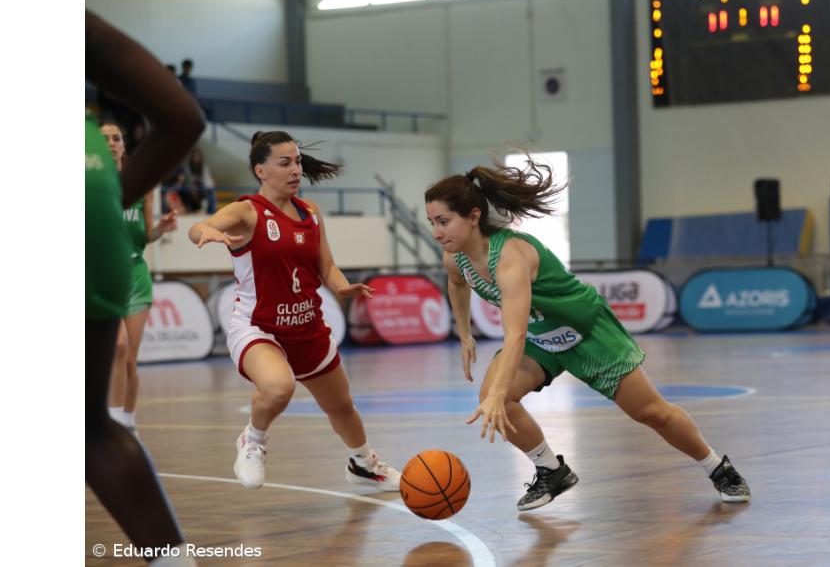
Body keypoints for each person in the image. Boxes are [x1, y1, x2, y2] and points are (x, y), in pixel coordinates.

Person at [425, 157, 750, 511]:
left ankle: (718, 467)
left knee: (652, 413)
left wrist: (498, 391)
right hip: (542, 339)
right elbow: (458, 285)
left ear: (473, 216)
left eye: (444, 221)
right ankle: (551, 469)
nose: (437, 232)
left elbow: (514, 335)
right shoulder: (453, 258)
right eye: (432, 223)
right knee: (495, 397)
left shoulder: (509, 258)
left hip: (586, 332)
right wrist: (464, 333)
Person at [187, 130, 402, 491]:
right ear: (260, 170)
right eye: (284, 163)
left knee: (342, 406)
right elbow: (199, 226)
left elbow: (327, 266)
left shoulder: (311, 212)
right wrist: (204, 233)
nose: (295, 170)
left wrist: (341, 286)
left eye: (298, 162)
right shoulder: (247, 211)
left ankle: (363, 464)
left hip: (307, 325)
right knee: (277, 387)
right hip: (259, 327)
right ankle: (252, 441)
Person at [86, 10, 205, 566]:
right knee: (89, 428)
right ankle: (172, 560)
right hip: (93, 214)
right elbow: (182, 117)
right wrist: (110, 203)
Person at [100, 120, 179, 435]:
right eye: (104, 138)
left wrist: (162, 228)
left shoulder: (142, 184)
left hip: (133, 274)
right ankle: (113, 425)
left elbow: (145, 235)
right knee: (117, 349)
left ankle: (128, 425)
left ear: (123, 145)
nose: (111, 143)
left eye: (116, 138)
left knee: (129, 361)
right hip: (100, 276)